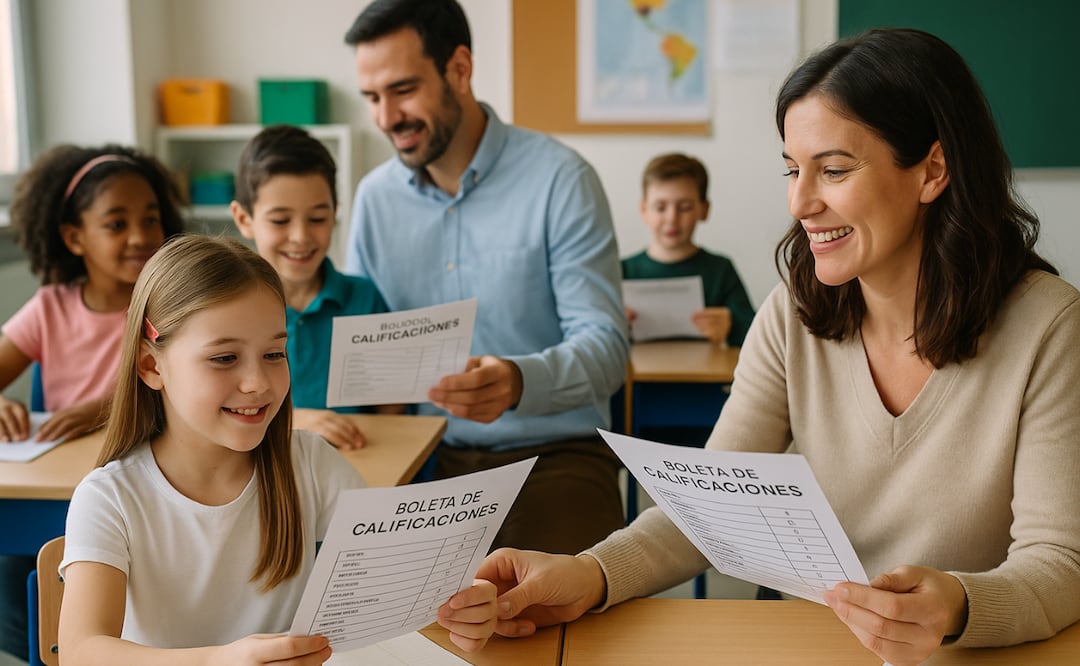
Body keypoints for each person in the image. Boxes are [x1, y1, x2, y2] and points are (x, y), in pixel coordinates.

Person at [477, 28, 1080, 666]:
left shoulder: (1049, 326)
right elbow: (710, 508)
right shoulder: (792, 313)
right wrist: (590, 574)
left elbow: (1061, 561)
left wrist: (958, 605)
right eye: (793, 170)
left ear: (932, 170)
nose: (800, 202)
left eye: (835, 170)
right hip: (804, 647)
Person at [56, 235, 497, 663]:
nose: (259, 383)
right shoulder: (109, 497)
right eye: (225, 358)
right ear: (153, 366)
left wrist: (463, 606)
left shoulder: (312, 464)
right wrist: (219, 662)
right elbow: (82, 651)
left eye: (274, 354)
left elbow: (405, 576)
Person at [343, 0, 629, 555]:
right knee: (383, 629)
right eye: (372, 98)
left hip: (556, 458)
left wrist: (520, 381)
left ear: (459, 69)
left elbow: (608, 350)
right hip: (423, 462)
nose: (385, 118)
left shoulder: (561, 180)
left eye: (403, 90)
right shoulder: (375, 199)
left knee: (548, 621)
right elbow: (362, 358)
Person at [0, 143, 184, 662]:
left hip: (149, 490)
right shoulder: (50, 307)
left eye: (151, 219)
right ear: (74, 237)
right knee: (15, 577)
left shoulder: (171, 305)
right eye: (116, 223)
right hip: (59, 492)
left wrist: (105, 408)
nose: (141, 236)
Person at [232, 124, 404, 451]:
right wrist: (292, 420)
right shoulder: (227, 311)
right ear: (244, 219)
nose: (301, 236)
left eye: (317, 219)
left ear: (335, 214)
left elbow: (391, 412)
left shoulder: (365, 300)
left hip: (357, 469)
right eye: (280, 221)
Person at [621, 152, 755, 347]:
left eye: (684, 207)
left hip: (709, 376)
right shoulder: (623, 271)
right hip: (638, 377)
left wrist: (731, 325)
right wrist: (613, 324)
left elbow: (756, 333)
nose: (671, 219)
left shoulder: (720, 270)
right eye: (660, 207)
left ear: (704, 209)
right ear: (644, 210)